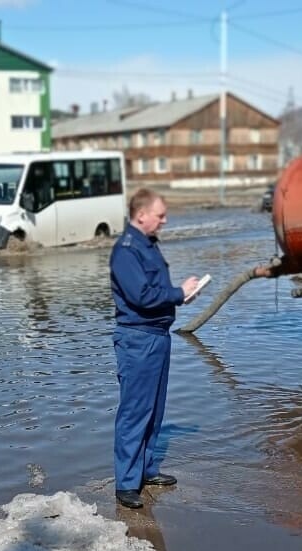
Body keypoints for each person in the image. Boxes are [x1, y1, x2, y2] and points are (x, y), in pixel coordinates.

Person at [110, 188, 200, 509]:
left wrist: (182, 295)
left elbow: (157, 290)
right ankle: (126, 483)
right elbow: (141, 296)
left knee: (155, 409)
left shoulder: (148, 246)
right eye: (160, 215)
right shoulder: (126, 250)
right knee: (135, 410)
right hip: (137, 339)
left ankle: (145, 470)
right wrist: (178, 293)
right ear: (141, 214)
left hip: (158, 336)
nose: (164, 221)